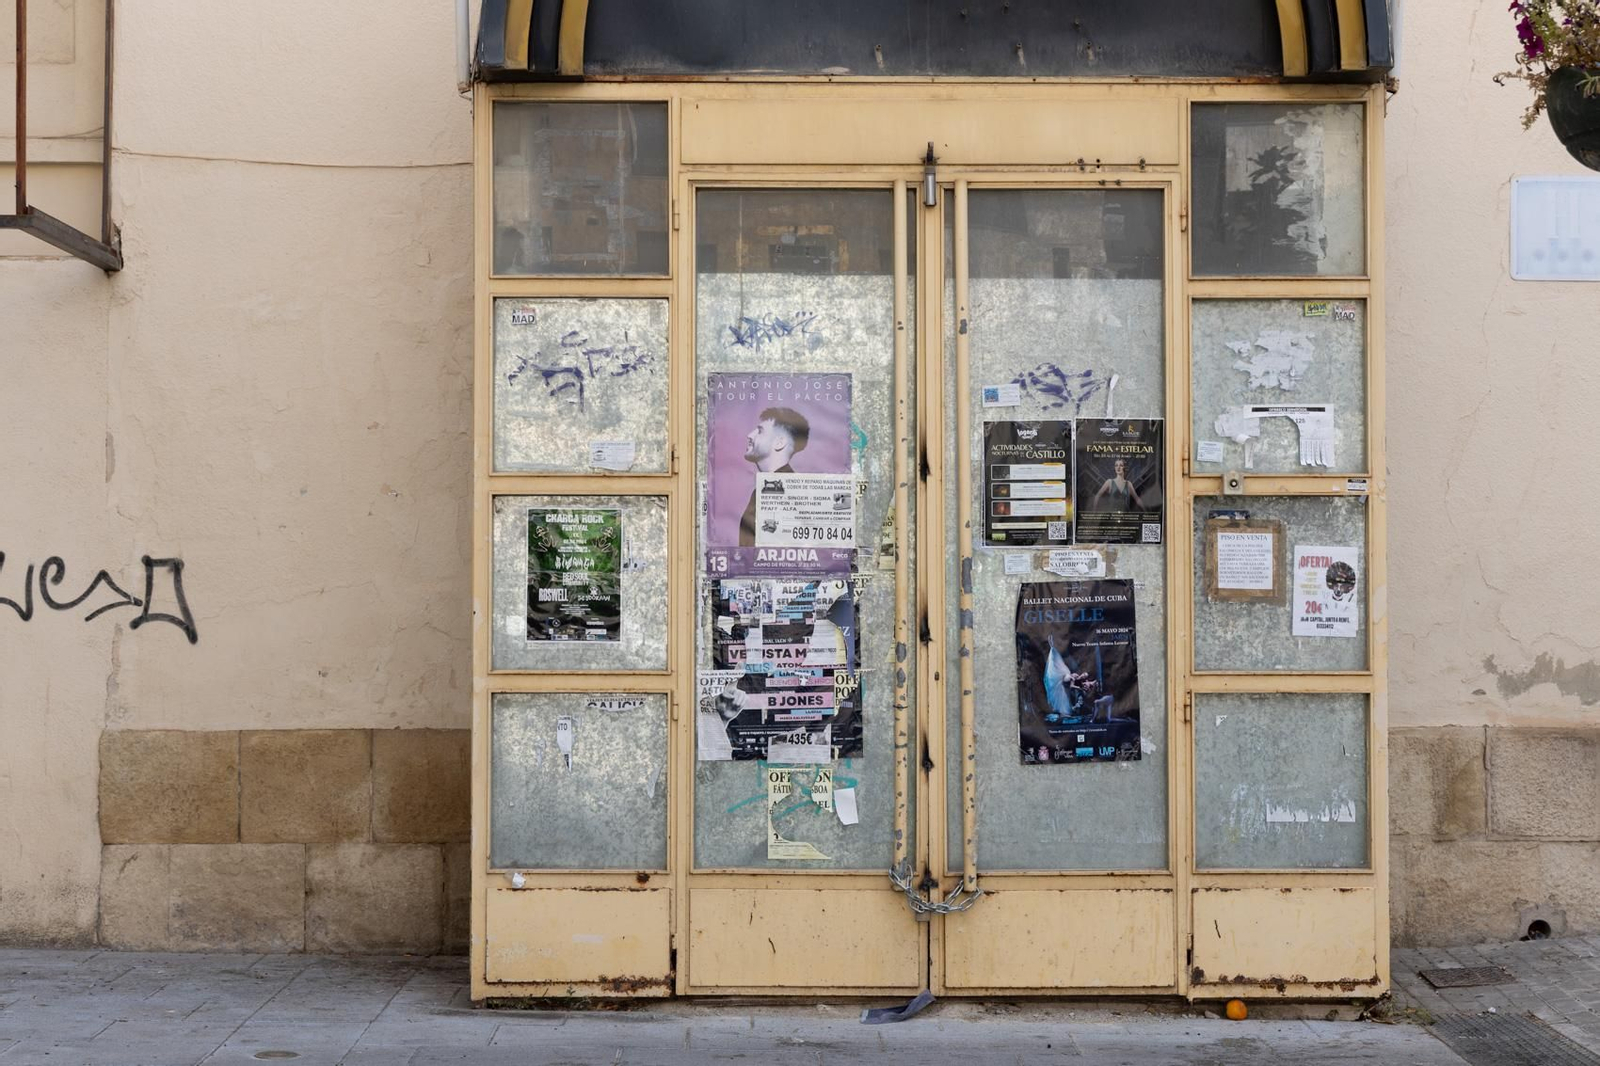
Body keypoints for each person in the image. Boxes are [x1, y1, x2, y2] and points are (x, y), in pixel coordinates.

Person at [739, 407, 811, 546]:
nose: (749, 435)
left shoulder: (787, 492)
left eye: (760, 431)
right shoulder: (771, 487)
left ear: (779, 443)